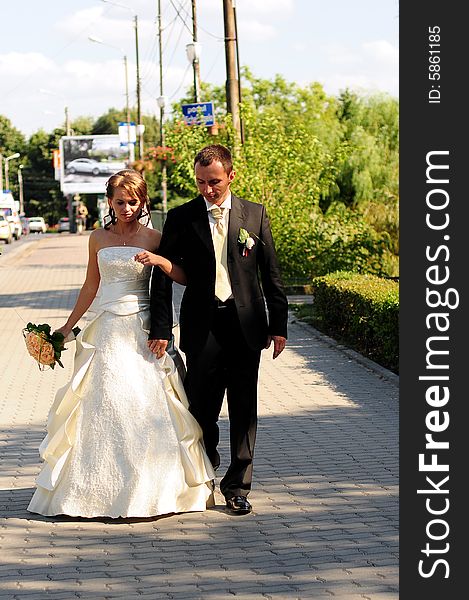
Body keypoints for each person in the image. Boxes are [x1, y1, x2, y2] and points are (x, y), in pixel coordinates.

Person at [27, 169, 215, 519]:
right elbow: (90, 285)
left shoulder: (155, 237)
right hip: (106, 330)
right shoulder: (97, 237)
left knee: (143, 403)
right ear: (109, 202)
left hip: (142, 330)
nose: (126, 207)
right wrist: (66, 329)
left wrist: (161, 261)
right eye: (120, 201)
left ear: (143, 202)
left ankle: (151, 487)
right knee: (102, 403)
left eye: (133, 201)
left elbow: (182, 276)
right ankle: (92, 490)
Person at [147, 144, 288, 515]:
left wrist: (279, 326)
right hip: (202, 326)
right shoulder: (181, 218)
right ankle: (204, 475)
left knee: (244, 409)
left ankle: (238, 487)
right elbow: (162, 275)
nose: (207, 189)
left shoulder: (254, 215)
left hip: (246, 326)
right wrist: (160, 326)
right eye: (200, 182)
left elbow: (270, 274)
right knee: (202, 409)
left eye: (214, 182)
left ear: (230, 176)